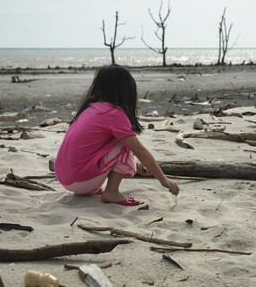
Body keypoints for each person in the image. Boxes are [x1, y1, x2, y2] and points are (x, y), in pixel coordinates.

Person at [54, 64, 180, 206]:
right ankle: (111, 191)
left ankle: (102, 188)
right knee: (124, 142)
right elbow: (140, 150)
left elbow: (95, 149)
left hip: (65, 177)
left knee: (119, 138)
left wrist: (137, 165)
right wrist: (163, 180)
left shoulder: (90, 108)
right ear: (125, 90)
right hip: (80, 181)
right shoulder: (113, 113)